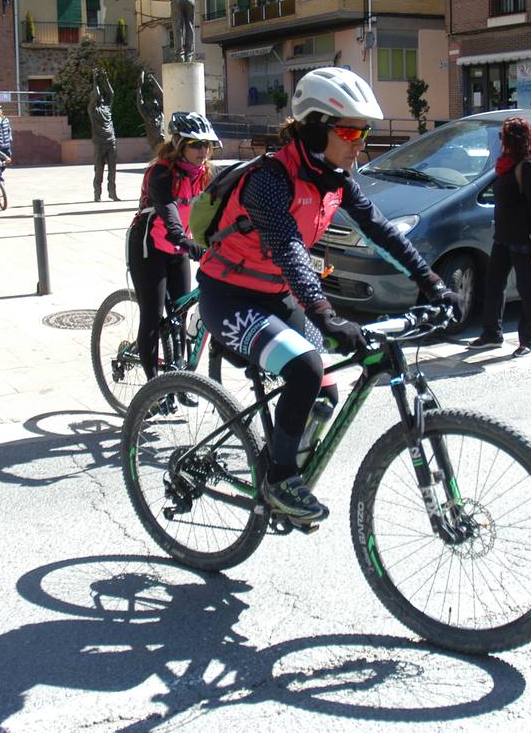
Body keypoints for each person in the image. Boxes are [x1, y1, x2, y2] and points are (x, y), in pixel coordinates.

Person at [196, 67, 462, 524]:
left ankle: (286, 465)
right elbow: (289, 249)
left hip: (279, 296)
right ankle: (280, 480)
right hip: (230, 295)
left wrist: (434, 284)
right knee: (305, 369)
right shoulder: (269, 180)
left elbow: (383, 232)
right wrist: (325, 315)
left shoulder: (336, 178)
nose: (362, 142)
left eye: (366, 131)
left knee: (324, 393)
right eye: (352, 130)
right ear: (318, 129)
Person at [128, 112, 220, 385]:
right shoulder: (161, 172)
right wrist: (183, 239)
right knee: (153, 315)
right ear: (179, 144)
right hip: (149, 245)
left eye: (206, 145)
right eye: (195, 144)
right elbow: (168, 212)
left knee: (180, 315)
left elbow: (216, 210)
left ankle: (179, 382)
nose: (202, 151)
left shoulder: (205, 174)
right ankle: (152, 387)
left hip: (179, 249)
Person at [467, 117, 531, 358]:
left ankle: (530, 341)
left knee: (528, 290)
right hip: (503, 237)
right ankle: (492, 334)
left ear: (513, 139)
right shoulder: (506, 164)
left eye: (503, 137)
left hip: (524, 241)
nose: (500, 141)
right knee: (493, 284)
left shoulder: (530, 166)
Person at [90, 69, 119, 201]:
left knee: (112, 170)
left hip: (111, 141)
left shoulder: (107, 107)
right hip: (100, 143)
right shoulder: (93, 110)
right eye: (98, 95)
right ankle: (97, 194)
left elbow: (111, 93)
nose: (101, 96)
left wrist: (105, 78)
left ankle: (112, 193)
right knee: (99, 170)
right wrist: (95, 80)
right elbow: (96, 94)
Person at [137, 70, 164, 149]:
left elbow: (162, 95)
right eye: (152, 101)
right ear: (148, 105)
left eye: (155, 101)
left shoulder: (161, 112)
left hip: (164, 139)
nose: (155, 102)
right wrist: (139, 86)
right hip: (154, 142)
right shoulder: (147, 115)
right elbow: (139, 102)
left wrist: (153, 80)